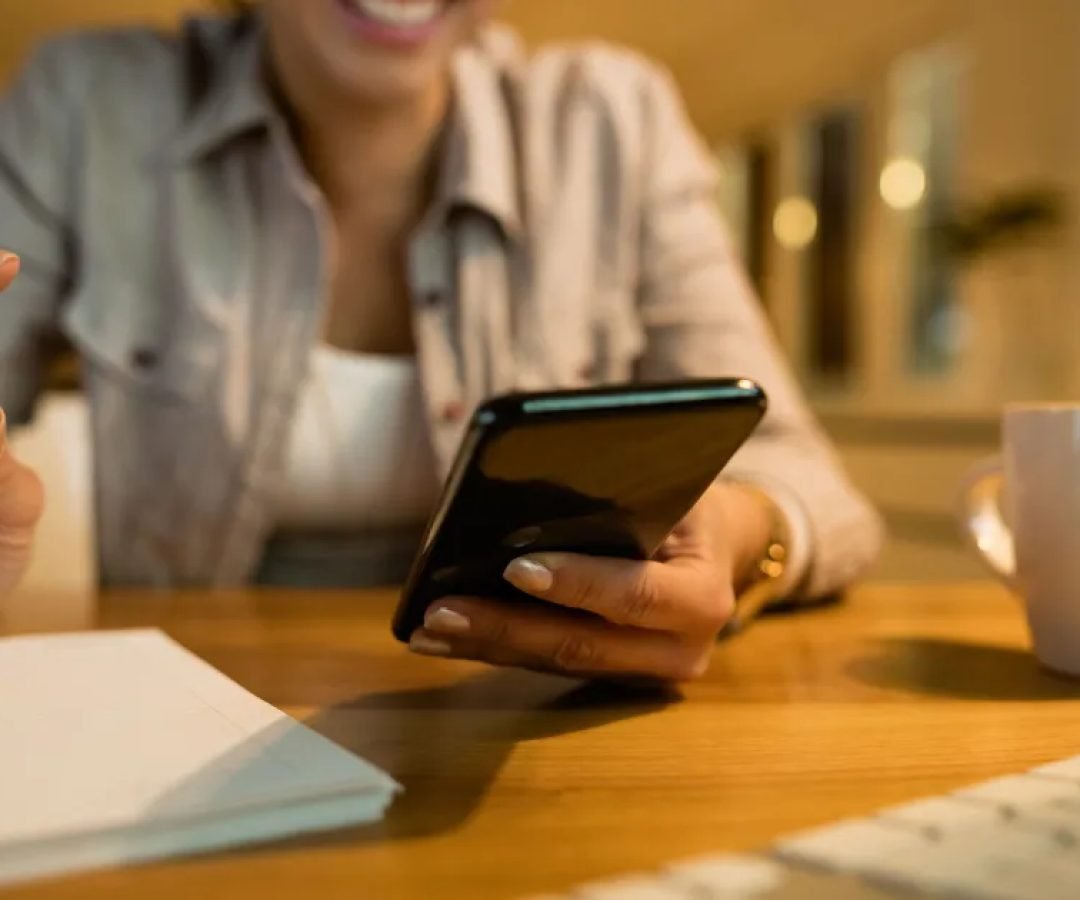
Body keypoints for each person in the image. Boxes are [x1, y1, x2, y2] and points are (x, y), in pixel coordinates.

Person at [0, 0, 882, 681]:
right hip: (178, 711)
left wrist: (738, 533)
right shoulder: (87, 106)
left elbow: (812, 488)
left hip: (510, 720)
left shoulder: (613, 120)